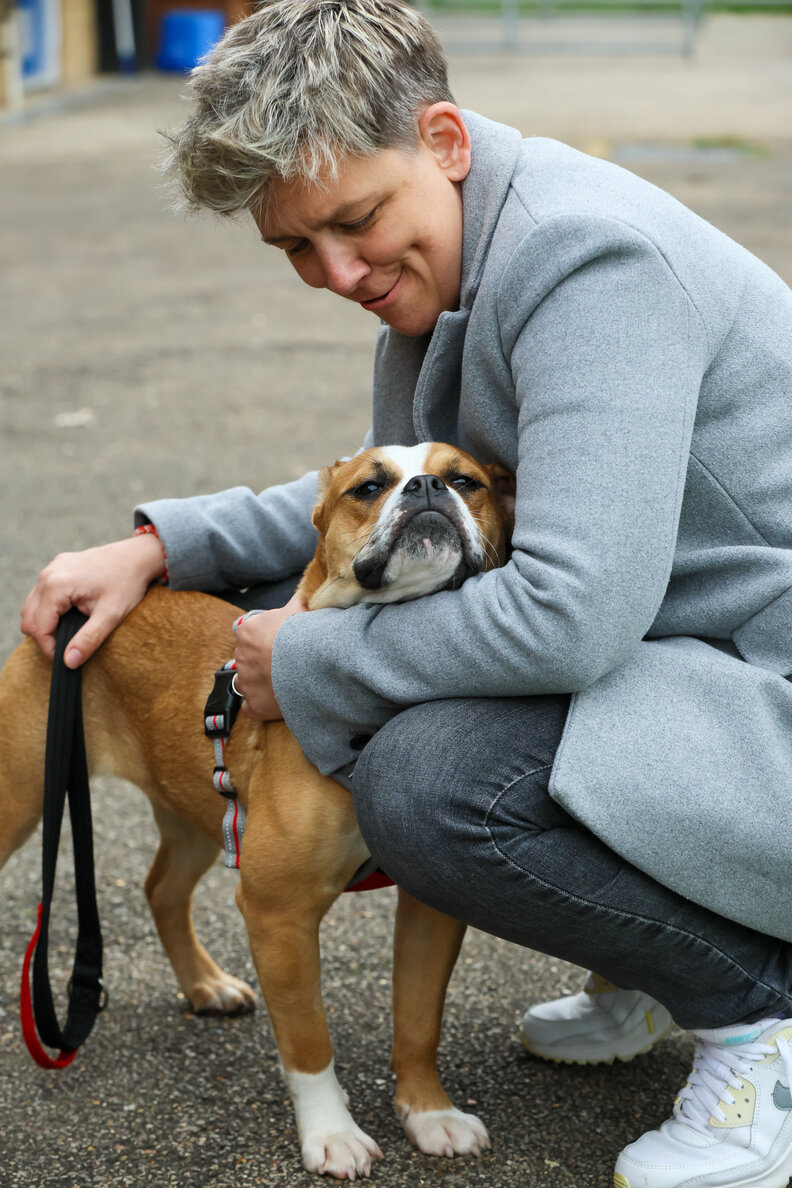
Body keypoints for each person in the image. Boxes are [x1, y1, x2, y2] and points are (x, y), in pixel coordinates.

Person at [21, 1, 792, 1183]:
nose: (335, 274)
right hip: (688, 662)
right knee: (431, 708)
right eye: (295, 248)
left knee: (430, 778)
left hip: (763, 699)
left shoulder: (587, 263)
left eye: (353, 221)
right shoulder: (453, 255)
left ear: (441, 139)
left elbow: (572, 615)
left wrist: (305, 660)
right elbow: (392, 486)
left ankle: (756, 1019)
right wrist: (165, 544)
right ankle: (652, 963)